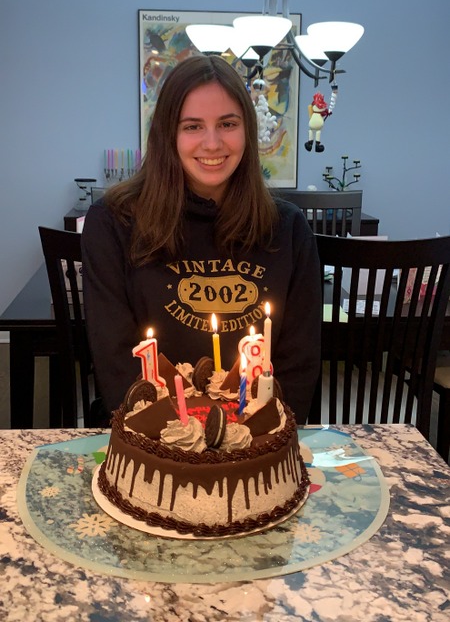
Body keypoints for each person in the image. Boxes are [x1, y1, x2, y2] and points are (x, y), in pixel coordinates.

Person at [81, 55, 321, 424]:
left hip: (256, 444)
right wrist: (185, 444)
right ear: (168, 134)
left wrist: (246, 441)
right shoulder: (113, 222)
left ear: (247, 130)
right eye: (192, 126)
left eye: (228, 124)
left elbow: (298, 365)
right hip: (153, 440)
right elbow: (117, 365)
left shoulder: (289, 229)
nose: (212, 143)